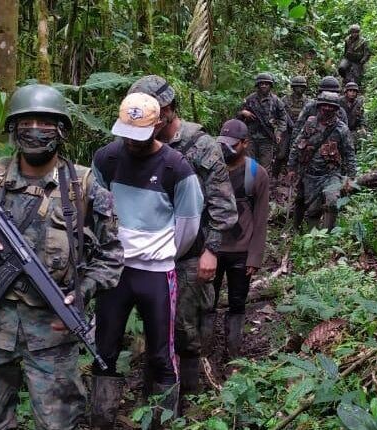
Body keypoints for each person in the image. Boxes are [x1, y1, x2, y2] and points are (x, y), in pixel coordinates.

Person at [0, 84, 124, 430]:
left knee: (60, 423)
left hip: (52, 331)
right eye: (25, 122)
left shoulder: (85, 187)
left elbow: (111, 256)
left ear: (60, 130)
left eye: (44, 122)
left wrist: (85, 290)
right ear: (13, 129)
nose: (34, 129)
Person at [90, 92, 204, 427]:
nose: (133, 143)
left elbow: (188, 227)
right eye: (127, 134)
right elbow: (95, 210)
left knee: (162, 352)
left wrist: (159, 252)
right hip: (114, 270)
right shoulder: (107, 159)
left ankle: (163, 420)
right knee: (103, 348)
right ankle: (101, 418)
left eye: (140, 136)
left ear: (158, 125)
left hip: (155, 272)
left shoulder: (176, 168)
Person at [126, 75, 237, 397]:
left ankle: (189, 394)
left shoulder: (201, 146)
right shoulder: (134, 143)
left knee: (185, 328)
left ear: (170, 110)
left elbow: (223, 205)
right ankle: (154, 391)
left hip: (188, 252)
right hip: (145, 250)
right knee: (150, 324)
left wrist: (211, 251)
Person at [210, 119, 269, 357]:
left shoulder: (257, 174)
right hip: (211, 249)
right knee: (206, 302)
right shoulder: (211, 168)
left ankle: (232, 352)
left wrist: (254, 257)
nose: (226, 150)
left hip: (241, 251)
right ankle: (204, 349)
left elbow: (261, 218)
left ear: (245, 143)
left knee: (237, 301)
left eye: (232, 145)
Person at [287, 91, 356, 231]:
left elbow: (349, 153)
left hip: (331, 173)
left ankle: (328, 235)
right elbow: (297, 143)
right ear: (319, 106)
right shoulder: (310, 123)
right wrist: (291, 168)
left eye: (331, 106)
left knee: (332, 201)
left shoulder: (341, 129)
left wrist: (351, 177)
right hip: (309, 172)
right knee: (312, 209)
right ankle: (309, 235)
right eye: (325, 105)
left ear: (336, 109)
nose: (328, 109)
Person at [237, 72, 288, 171]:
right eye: (261, 83)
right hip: (250, 137)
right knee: (250, 165)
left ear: (270, 85)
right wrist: (243, 113)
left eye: (266, 84)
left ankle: (262, 185)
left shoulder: (276, 101)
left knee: (265, 167)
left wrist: (278, 133)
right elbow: (237, 116)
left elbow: (283, 118)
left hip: (267, 138)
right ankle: (251, 185)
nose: (264, 86)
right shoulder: (250, 99)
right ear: (258, 85)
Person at [274, 76, 311, 179]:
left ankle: (297, 178)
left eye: (302, 87)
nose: (300, 89)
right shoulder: (284, 100)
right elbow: (279, 115)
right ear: (293, 87)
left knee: (301, 154)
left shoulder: (308, 102)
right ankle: (274, 176)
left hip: (301, 131)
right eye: (297, 87)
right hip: (286, 130)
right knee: (281, 154)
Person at [339, 81, 366, 150]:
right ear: (346, 92)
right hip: (340, 128)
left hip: (352, 129)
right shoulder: (339, 101)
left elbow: (361, 116)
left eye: (354, 91)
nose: (352, 93)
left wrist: (362, 127)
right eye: (350, 91)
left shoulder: (358, 103)